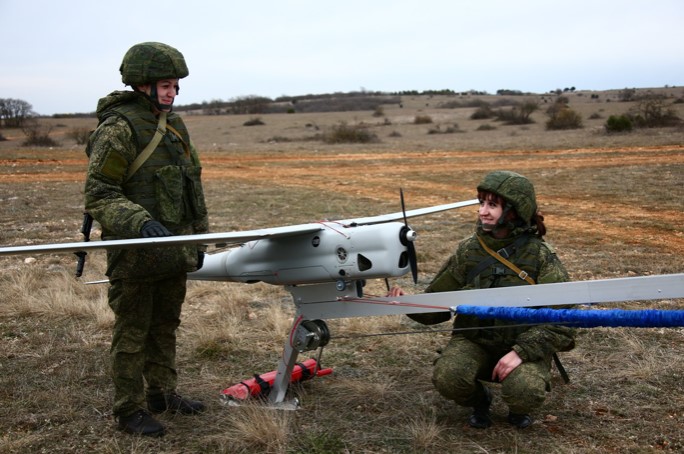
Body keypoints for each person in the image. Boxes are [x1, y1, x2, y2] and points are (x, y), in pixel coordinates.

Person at [84, 42, 209, 437]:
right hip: (135, 251)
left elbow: (192, 187)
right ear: (143, 84)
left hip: (174, 249)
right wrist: (139, 222)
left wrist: (199, 240)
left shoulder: (175, 126)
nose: (173, 92)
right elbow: (100, 193)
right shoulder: (118, 128)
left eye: (175, 85)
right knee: (133, 331)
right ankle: (129, 409)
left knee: (165, 325)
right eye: (166, 85)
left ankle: (162, 393)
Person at [388, 171, 575, 429]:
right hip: (474, 340)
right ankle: (480, 400)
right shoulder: (469, 251)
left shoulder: (540, 256)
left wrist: (521, 352)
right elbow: (436, 307)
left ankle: (518, 407)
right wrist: (408, 303)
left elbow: (565, 319)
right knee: (449, 377)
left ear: (513, 211)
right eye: (482, 203)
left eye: (492, 205)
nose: (482, 212)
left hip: (522, 343)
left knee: (525, 390)